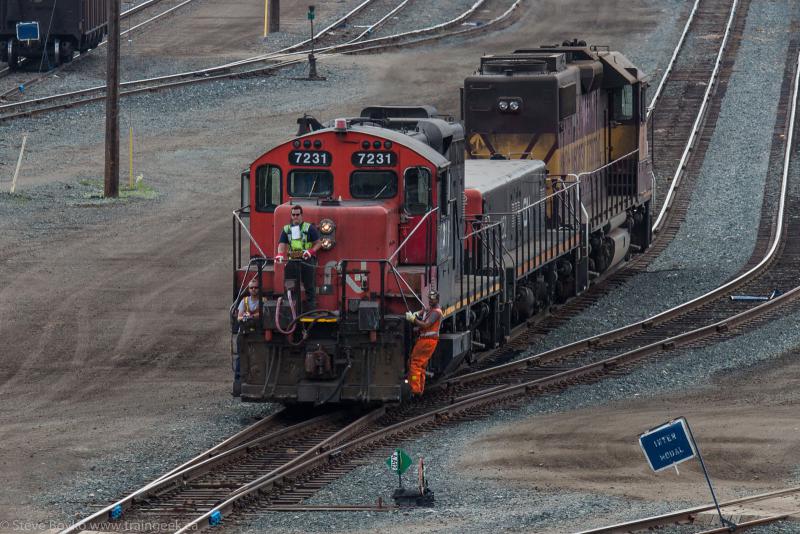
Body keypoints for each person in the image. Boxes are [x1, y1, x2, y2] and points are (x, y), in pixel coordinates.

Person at [275, 205, 321, 309]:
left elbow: (318, 243)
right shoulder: (287, 229)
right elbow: (282, 244)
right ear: (291, 216)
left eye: (297, 214)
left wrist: (311, 251)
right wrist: (280, 254)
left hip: (307, 258)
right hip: (293, 258)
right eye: (293, 215)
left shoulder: (309, 228)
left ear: (301, 215)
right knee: (290, 284)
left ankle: (311, 308)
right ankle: (290, 308)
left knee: (309, 285)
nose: (295, 216)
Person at [404, 289, 443, 396]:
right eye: (429, 299)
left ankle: (415, 389)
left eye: (433, 299)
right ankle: (420, 388)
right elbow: (423, 312)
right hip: (426, 341)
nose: (430, 301)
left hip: (427, 341)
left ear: (437, 300)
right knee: (421, 365)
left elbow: (426, 325)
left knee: (415, 363)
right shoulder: (430, 310)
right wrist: (417, 313)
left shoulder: (436, 312)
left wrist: (413, 320)